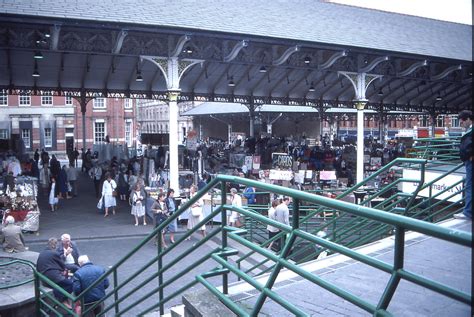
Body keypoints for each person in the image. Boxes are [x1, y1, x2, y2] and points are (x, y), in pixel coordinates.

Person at [37, 238, 73, 307]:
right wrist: (66, 254)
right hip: (53, 277)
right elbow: (62, 265)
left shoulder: (42, 253)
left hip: (43, 277)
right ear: (55, 245)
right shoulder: (54, 253)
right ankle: (61, 298)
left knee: (62, 283)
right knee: (70, 284)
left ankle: (62, 298)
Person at [454, 110, 472, 220]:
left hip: (471, 162)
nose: (461, 124)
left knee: (469, 186)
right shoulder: (469, 130)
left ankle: (468, 212)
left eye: (462, 122)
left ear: (468, 119)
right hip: (468, 161)